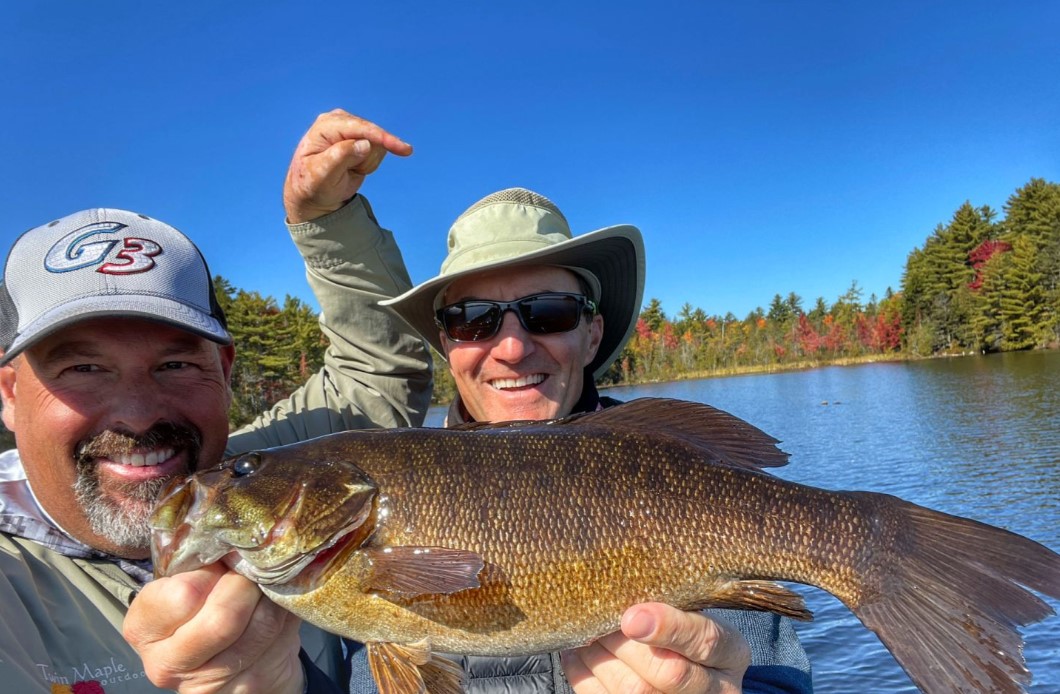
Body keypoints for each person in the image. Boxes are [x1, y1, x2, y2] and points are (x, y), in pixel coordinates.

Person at [0, 109, 430, 693]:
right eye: (83, 368)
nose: (139, 412)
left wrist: (328, 223)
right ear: (10, 392)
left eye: (175, 364)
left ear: (224, 372)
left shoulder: (257, 480)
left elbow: (376, 377)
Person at [365, 187, 814, 693]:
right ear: (448, 344)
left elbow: (774, 679)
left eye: (549, 312)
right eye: (471, 319)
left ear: (592, 334)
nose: (512, 347)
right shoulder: (356, 535)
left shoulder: (679, 469)